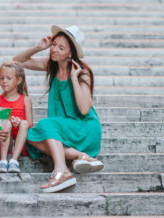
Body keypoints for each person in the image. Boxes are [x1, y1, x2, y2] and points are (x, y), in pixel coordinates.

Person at [13, 25, 103, 193]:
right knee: (29, 135)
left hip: (84, 128)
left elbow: (84, 109)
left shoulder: (82, 73)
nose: (54, 49)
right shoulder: (51, 66)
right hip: (64, 129)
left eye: (60, 48)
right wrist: (38, 47)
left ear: (70, 53)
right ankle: (80, 156)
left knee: (46, 124)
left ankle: (61, 170)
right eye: (54, 44)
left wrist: (74, 79)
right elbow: (17, 62)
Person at [0, 61, 33, 173]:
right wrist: (8, 120)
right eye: (2, 78)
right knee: (6, 123)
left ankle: (14, 161)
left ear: (18, 80)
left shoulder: (26, 99)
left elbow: (30, 123)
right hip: (5, 140)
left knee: (24, 123)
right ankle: (3, 161)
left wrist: (20, 122)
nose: (4, 81)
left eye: (8, 78)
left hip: (21, 140)